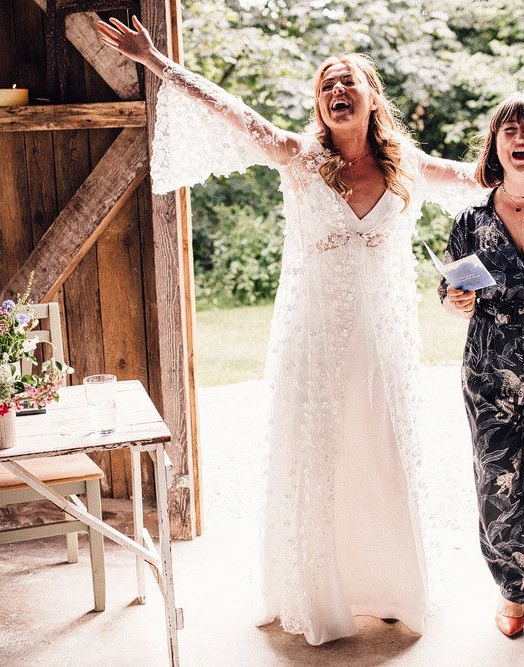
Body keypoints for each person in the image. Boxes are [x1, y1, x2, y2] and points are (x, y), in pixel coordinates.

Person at [97, 15, 481, 644]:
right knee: (321, 456)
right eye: (326, 83)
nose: (336, 89)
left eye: (347, 80)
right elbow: (227, 109)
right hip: (317, 338)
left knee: (380, 451)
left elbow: (479, 180)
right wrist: (156, 61)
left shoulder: (404, 165)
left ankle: (386, 582)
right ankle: (319, 590)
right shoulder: (298, 157)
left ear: (370, 96)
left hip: (383, 342)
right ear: (319, 104)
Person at [440, 93, 524, 638]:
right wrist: (456, 299)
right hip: (491, 373)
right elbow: (448, 290)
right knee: (498, 484)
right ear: (495, 143)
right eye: (510, 129)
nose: (521, 138)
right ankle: (514, 592)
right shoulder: (471, 220)